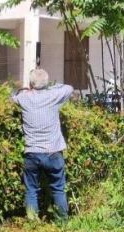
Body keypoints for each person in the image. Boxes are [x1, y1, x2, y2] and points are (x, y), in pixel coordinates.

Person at [12, 69, 74, 220]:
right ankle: (62, 221)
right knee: (58, 189)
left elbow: (12, 95)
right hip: (53, 152)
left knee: (31, 189)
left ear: (31, 83)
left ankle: (32, 220)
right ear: (46, 82)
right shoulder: (53, 95)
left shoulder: (24, 98)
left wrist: (25, 88)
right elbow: (69, 88)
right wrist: (50, 86)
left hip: (32, 152)